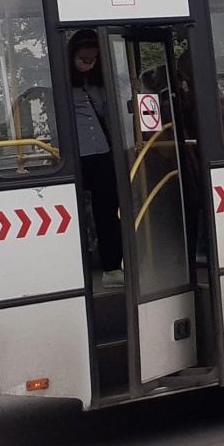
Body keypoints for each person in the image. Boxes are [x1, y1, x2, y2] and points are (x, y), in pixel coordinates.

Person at [68, 30, 123, 287]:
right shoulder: (62, 84)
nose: (86, 64)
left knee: (106, 212)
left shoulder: (99, 84)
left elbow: (106, 112)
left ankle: (111, 267)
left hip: (100, 153)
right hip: (73, 155)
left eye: (91, 59)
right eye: (82, 59)